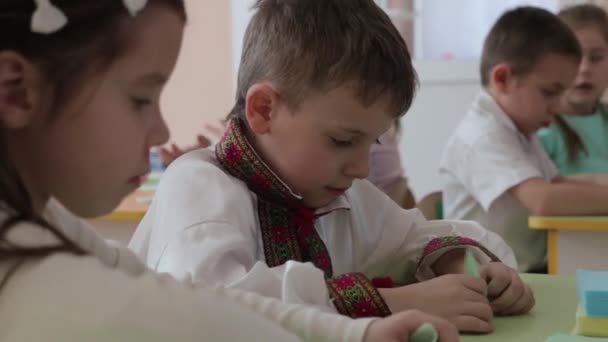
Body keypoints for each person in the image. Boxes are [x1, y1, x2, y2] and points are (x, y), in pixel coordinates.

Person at [0, 1, 459, 341]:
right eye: (141, 99)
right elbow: (196, 320)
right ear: (17, 93)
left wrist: (357, 334)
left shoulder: (42, 228)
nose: (161, 131)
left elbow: (192, 298)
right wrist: (372, 312)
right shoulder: (43, 280)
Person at [130, 0, 531, 334]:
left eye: (371, 142)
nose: (360, 167)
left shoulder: (341, 195)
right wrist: (390, 303)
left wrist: (465, 268)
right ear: (264, 110)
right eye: (342, 141)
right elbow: (210, 307)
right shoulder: (198, 185)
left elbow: (416, 236)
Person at [440, 6, 608, 274]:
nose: (557, 105)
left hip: (525, 272)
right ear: (503, 79)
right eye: (549, 92)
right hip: (484, 282)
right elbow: (544, 200)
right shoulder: (482, 136)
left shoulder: (519, 130)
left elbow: (559, 182)